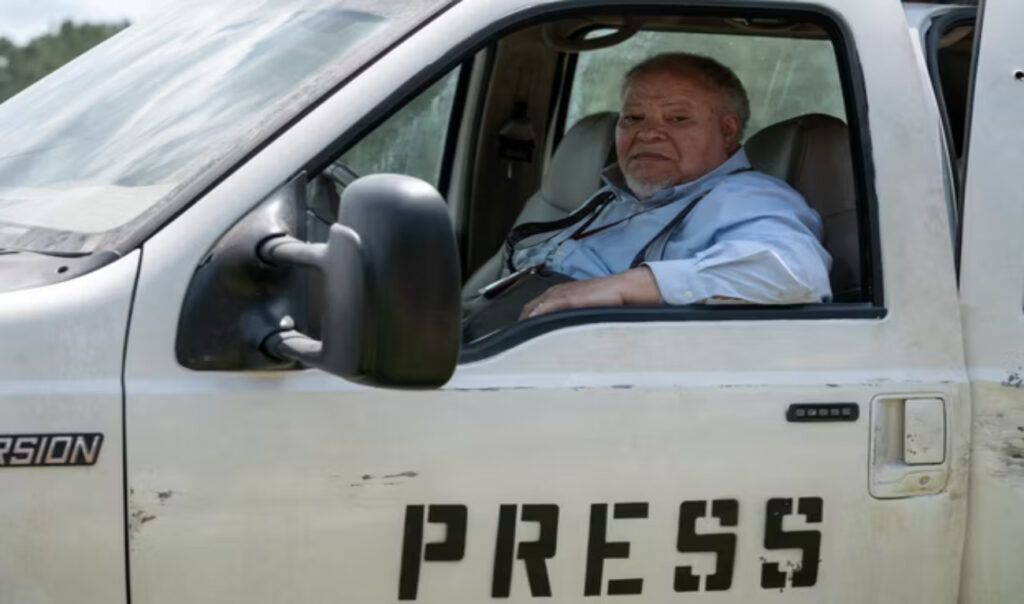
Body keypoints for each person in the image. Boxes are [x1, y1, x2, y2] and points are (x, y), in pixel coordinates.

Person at [510, 52, 832, 319]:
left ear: (728, 130)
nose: (648, 133)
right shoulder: (615, 197)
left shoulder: (748, 196)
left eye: (677, 119)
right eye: (633, 118)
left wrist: (626, 286)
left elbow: (794, 273)